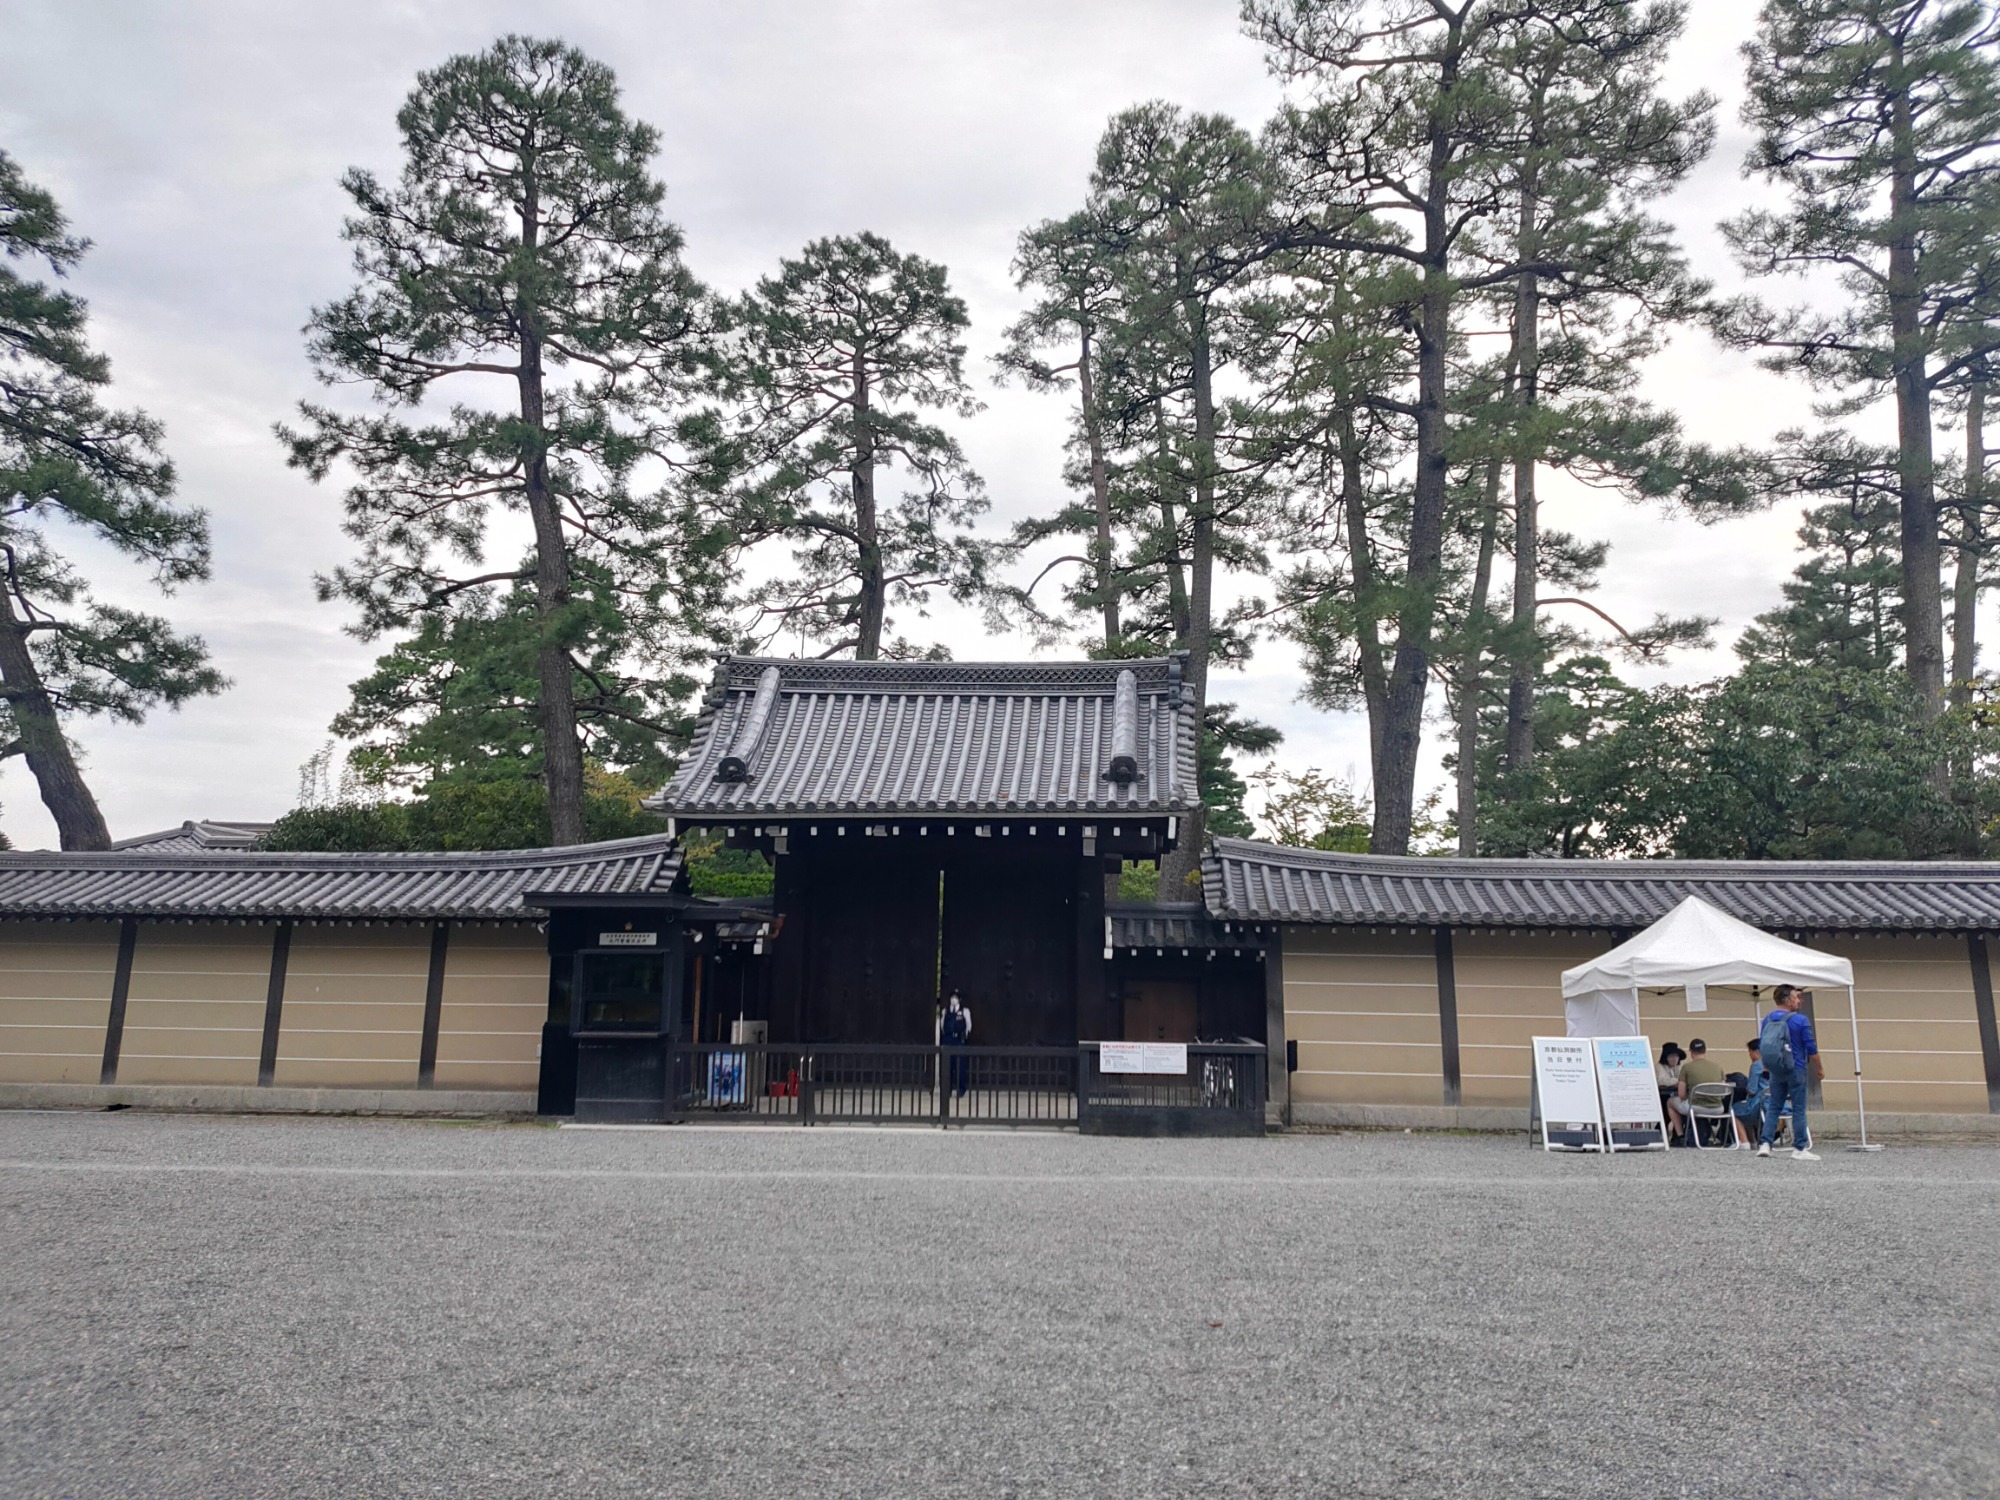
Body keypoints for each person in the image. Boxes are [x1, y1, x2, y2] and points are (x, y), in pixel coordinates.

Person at [1758, 984, 1823, 1161]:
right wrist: (1819, 1068)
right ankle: (1799, 1148)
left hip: (1776, 1069)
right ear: (1787, 1000)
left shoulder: (1767, 1019)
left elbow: (1763, 1044)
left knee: (1774, 1106)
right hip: (1796, 1067)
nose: (1798, 1000)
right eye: (1796, 997)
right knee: (1799, 1108)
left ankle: (1765, 1144)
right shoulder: (1800, 1020)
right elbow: (1811, 1047)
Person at [1673, 1038, 1733, 1147]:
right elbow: (1724, 1093)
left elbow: (1681, 1095)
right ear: (1705, 1051)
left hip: (1695, 1107)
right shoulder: (1718, 1067)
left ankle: (1680, 1135)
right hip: (1717, 1108)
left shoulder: (1687, 1067)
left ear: (1691, 1052)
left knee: (1669, 1103)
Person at [940, 990, 972, 1097]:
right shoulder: (945, 1011)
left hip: (959, 1040)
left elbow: (968, 1025)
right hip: (948, 1039)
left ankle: (961, 1089)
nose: (953, 999)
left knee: (960, 1065)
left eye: (956, 997)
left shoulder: (964, 1011)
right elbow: (942, 1025)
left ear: (959, 999)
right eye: (952, 997)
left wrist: (964, 1035)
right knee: (947, 1065)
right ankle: (946, 1089)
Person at [1655, 1043, 1685, 1140]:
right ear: (1665, 1057)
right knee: (1667, 1107)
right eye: (1671, 1056)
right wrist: (1678, 1081)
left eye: (1676, 1056)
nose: (1674, 1059)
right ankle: (1660, 1130)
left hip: (1674, 1095)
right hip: (1660, 1096)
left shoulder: (1678, 1068)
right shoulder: (1659, 1067)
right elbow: (1661, 1080)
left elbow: (1683, 1078)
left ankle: (1677, 1134)